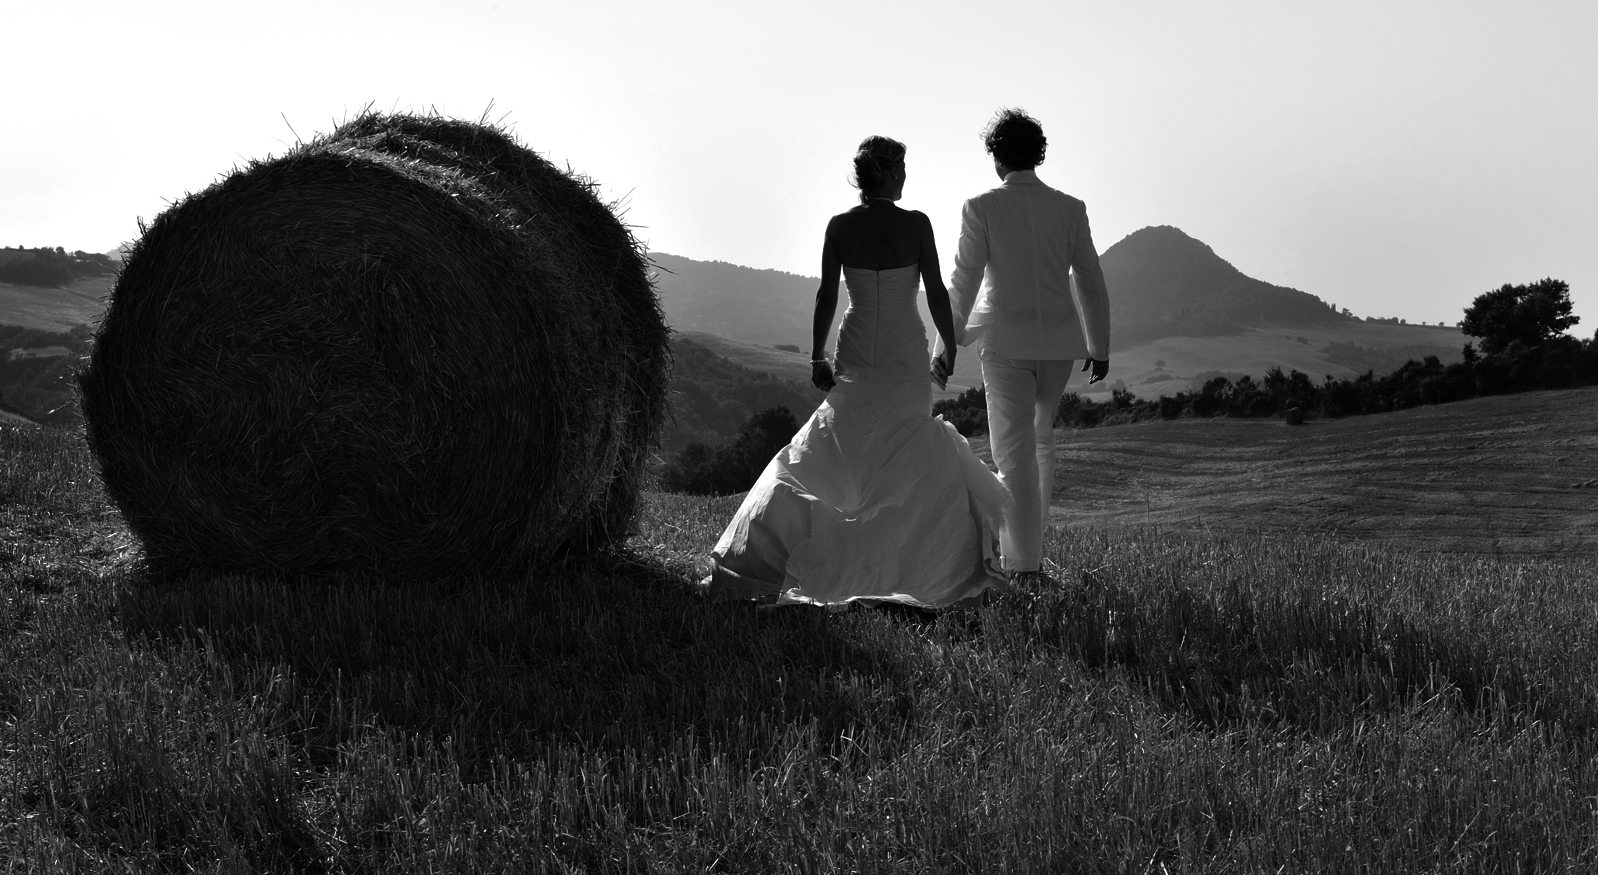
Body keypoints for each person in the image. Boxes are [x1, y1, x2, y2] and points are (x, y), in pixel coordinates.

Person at [702, 135, 1010, 609]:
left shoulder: (840, 225)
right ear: (886, 173)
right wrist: (949, 345)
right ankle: (919, 563)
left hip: (858, 344)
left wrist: (816, 356)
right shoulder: (916, 224)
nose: (906, 176)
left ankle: (804, 549)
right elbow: (934, 292)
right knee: (907, 443)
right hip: (905, 350)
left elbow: (828, 294)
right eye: (902, 167)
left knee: (845, 445)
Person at [932, 108, 1111, 586]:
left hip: (1006, 342)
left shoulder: (982, 206)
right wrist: (1100, 346)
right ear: (1039, 155)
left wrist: (944, 348)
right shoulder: (1071, 208)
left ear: (997, 156)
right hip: (1059, 345)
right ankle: (1030, 551)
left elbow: (963, 283)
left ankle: (1024, 566)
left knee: (1013, 454)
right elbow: (1089, 279)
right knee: (1041, 443)